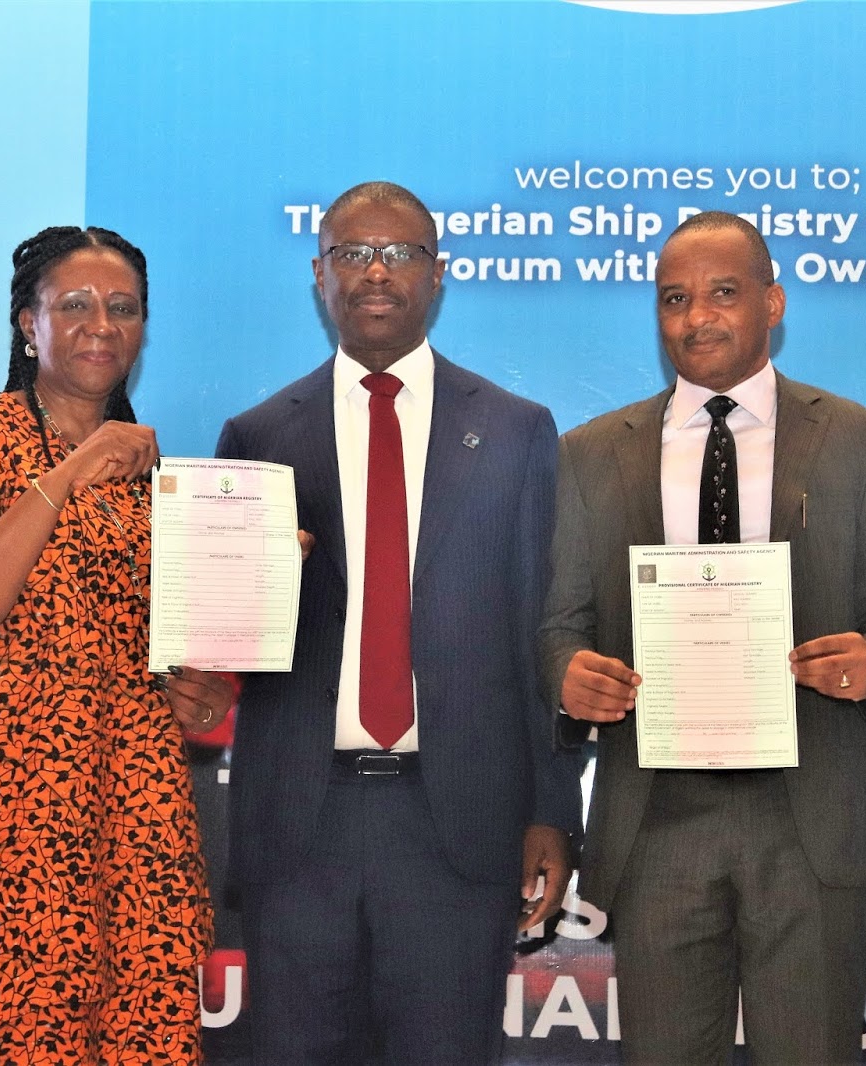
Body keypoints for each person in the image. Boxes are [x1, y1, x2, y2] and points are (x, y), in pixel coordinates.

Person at [215, 181, 582, 1065]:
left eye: (400, 253)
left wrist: (549, 809)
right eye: (352, 253)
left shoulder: (517, 431)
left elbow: (540, 630)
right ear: (319, 275)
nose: (376, 273)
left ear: (438, 274)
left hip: (455, 826)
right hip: (300, 826)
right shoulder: (258, 435)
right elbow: (227, 635)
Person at [541, 212, 866, 1064]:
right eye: (674, 299)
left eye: (723, 293)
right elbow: (560, 626)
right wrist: (567, 675)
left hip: (813, 819)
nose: (697, 316)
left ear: (773, 303)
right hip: (659, 820)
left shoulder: (860, 437)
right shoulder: (590, 453)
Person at [0, 225, 232, 1063]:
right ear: (28, 325)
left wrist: (197, 687)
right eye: (74, 305)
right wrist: (70, 472)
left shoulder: (156, 479)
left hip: (126, 810)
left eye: (123, 308)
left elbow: (157, 646)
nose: (101, 324)